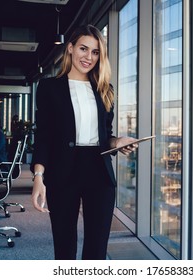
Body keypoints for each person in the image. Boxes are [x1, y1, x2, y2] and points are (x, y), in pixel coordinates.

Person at [30, 24, 138, 260]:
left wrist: (118, 141)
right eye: (83, 48)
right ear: (70, 49)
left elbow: (104, 136)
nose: (88, 57)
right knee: (65, 246)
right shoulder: (49, 87)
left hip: (98, 170)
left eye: (96, 52)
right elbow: (44, 135)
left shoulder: (105, 90)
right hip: (62, 170)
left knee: (97, 249)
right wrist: (39, 177)